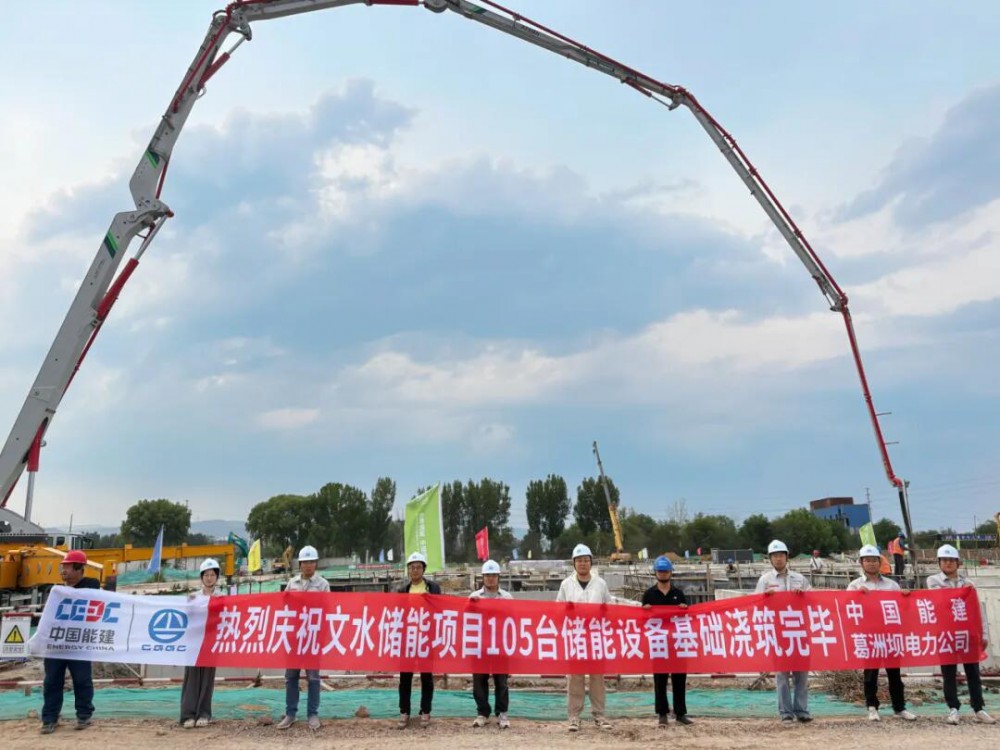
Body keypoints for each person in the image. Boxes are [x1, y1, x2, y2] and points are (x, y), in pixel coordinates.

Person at [926, 544, 995, 724]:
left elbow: (978, 610)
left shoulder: (969, 583)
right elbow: (941, 601)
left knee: (973, 672)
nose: (948, 563)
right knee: (949, 673)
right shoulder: (933, 581)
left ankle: (978, 708)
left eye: (951, 560)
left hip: (967, 634)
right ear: (939, 563)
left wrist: (983, 634)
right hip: (946, 635)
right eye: (944, 560)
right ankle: (953, 708)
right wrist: (963, 592)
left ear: (958, 563)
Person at [847, 545, 917, 722]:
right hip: (870, 636)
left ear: (880, 562)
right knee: (871, 674)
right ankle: (872, 707)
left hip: (890, 635)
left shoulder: (891, 585)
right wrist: (857, 596)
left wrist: (905, 596)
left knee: (894, 673)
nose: (871, 563)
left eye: (874, 560)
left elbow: (903, 608)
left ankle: (899, 707)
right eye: (867, 560)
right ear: (861, 563)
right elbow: (846, 607)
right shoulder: (855, 585)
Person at [40, 550, 100, 734]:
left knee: (82, 680)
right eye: (63, 567)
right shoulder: (57, 591)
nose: (63, 571)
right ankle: (49, 719)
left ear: (79, 568)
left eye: (67, 567)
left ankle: (84, 715)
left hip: (78, 643)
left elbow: (92, 592)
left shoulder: (91, 586)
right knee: (52, 682)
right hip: (56, 643)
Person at [755, 539, 812, 723]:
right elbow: (755, 604)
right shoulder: (765, 580)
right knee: (782, 674)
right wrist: (765, 597)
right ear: (770, 559)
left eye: (781, 555)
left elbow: (814, 599)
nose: (778, 559)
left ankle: (801, 710)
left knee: (801, 673)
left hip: (799, 631)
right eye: (774, 556)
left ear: (787, 557)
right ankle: (785, 712)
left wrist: (803, 595)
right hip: (778, 632)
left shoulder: (800, 579)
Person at [557, 543, 612, 732]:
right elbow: (558, 609)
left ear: (591, 562)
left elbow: (609, 608)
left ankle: (599, 715)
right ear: (574, 563)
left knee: (597, 678)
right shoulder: (566, 584)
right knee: (575, 679)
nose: (582, 564)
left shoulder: (600, 583)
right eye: (579, 560)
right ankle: (574, 716)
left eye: (586, 560)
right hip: (575, 638)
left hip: (596, 638)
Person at [276, 545, 330, 731]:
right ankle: (290, 714)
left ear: (316, 564)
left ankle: (312, 714)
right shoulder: (292, 583)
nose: (308, 565)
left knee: (313, 677)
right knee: (291, 677)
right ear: (300, 564)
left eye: (311, 562)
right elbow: (284, 606)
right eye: (305, 562)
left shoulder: (322, 585)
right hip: (294, 637)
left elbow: (327, 609)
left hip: (312, 637)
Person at [641, 556, 692, 727]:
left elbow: (687, 619)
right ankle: (662, 713)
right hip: (658, 642)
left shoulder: (678, 594)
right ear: (655, 573)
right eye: (660, 571)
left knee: (679, 678)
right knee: (660, 679)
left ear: (671, 572)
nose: (663, 574)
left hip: (677, 642)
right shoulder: (649, 594)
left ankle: (680, 713)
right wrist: (644, 611)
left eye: (666, 571)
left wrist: (684, 609)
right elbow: (642, 620)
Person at [397, 551, 442, 729]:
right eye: (412, 567)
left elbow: (440, 609)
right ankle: (404, 712)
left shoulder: (433, 588)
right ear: (408, 570)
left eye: (418, 567)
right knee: (405, 678)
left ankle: (425, 711)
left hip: (426, 639)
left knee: (426, 677)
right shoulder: (402, 591)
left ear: (423, 569)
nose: (415, 570)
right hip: (408, 640)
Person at [180, 558, 225, 728]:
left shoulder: (222, 598)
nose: (209, 578)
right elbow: (185, 616)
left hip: (211, 643)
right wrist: (189, 604)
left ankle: (204, 714)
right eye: (206, 575)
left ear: (217, 577)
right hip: (194, 643)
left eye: (212, 575)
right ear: (201, 577)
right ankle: (188, 715)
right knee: (192, 678)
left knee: (207, 679)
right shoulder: (194, 597)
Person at [469, 559, 513, 729]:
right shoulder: (474, 597)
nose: (490, 578)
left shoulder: (507, 598)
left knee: (501, 681)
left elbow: (514, 621)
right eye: (487, 575)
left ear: (498, 577)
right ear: (483, 577)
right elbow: (465, 619)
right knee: (479, 680)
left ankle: (502, 713)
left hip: (500, 646)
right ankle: (482, 713)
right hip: (480, 646)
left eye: (494, 575)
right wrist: (470, 606)